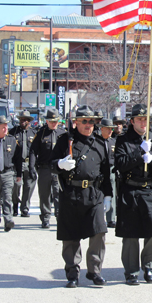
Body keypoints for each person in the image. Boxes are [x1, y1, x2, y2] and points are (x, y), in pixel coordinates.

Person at [52, 105, 113, 288]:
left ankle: (95, 271)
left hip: (93, 194)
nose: (88, 125)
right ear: (76, 122)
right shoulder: (65, 141)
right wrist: (60, 164)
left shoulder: (100, 143)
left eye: (92, 121)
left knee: (99, 232)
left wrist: (108, 195)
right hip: (71, 192)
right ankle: (72, 273)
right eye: (84, 121)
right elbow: (50, 163)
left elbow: (105, 171)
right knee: (71, 236)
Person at [114, 104, 152, 285]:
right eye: (139, 119)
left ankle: (148, 266)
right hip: (131, 190)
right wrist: (139, 154)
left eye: (145, 119)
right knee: (130, 234)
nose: (143, 122)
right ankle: (131, 271)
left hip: (151, 190)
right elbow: (120, 164)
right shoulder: (124, 140)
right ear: (132, 121)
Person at [29, 108, 66, 228]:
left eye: (56, 121)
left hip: (59, 169)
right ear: (47, 121)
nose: (54, 123)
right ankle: (45, 217)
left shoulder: (62, 133)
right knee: (44, 194)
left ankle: (60, 217)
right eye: (51, 121)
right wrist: (32, 167)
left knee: (58, 194)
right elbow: (33, 151)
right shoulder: (41, 133)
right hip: (44, 168)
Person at [9, 110, 37, 217]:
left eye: (25, 120)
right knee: (16, 186)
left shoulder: (33, 133)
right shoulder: (13, 133)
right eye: (21, 119)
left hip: (29, 163)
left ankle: (25, 208)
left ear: (29, 121)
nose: (23, 121)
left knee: (29, 186)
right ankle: (15, 204)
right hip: (17, 164)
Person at [99, 118, 118, 229]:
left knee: (111, 193)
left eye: (112, 129)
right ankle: (99, 217)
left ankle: (111, 219)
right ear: (102, 129)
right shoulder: (97, 141)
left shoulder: (113, 142)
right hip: (99, 169)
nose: (110, 131)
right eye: (108, 129)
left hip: (111, 170)